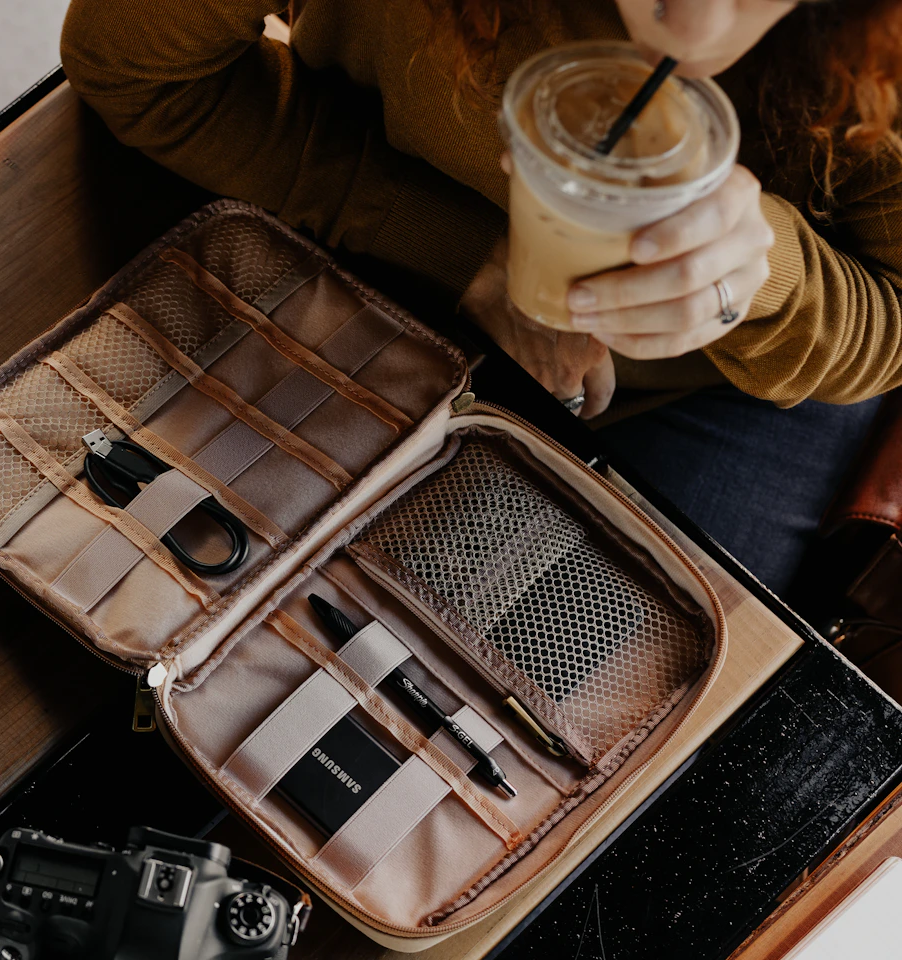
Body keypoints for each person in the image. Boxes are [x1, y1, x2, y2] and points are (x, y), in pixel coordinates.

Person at [62, 0, 902, 594]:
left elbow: (890, 323)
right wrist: (464, 255)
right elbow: (138, 67)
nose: (699, 26)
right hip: (376, 256)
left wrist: (769, 280)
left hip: (730, 387)